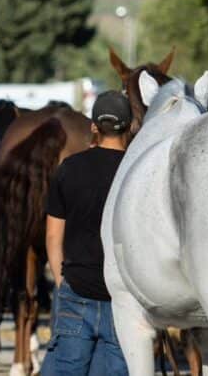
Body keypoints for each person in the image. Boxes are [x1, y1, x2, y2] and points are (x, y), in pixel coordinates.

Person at [41, 91, 132, 376]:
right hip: (123, 296)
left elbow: (53, 236)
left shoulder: (70, 168)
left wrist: (61, 281)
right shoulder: (136, 171)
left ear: (93, 126)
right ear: (129, 126)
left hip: (77, 288)